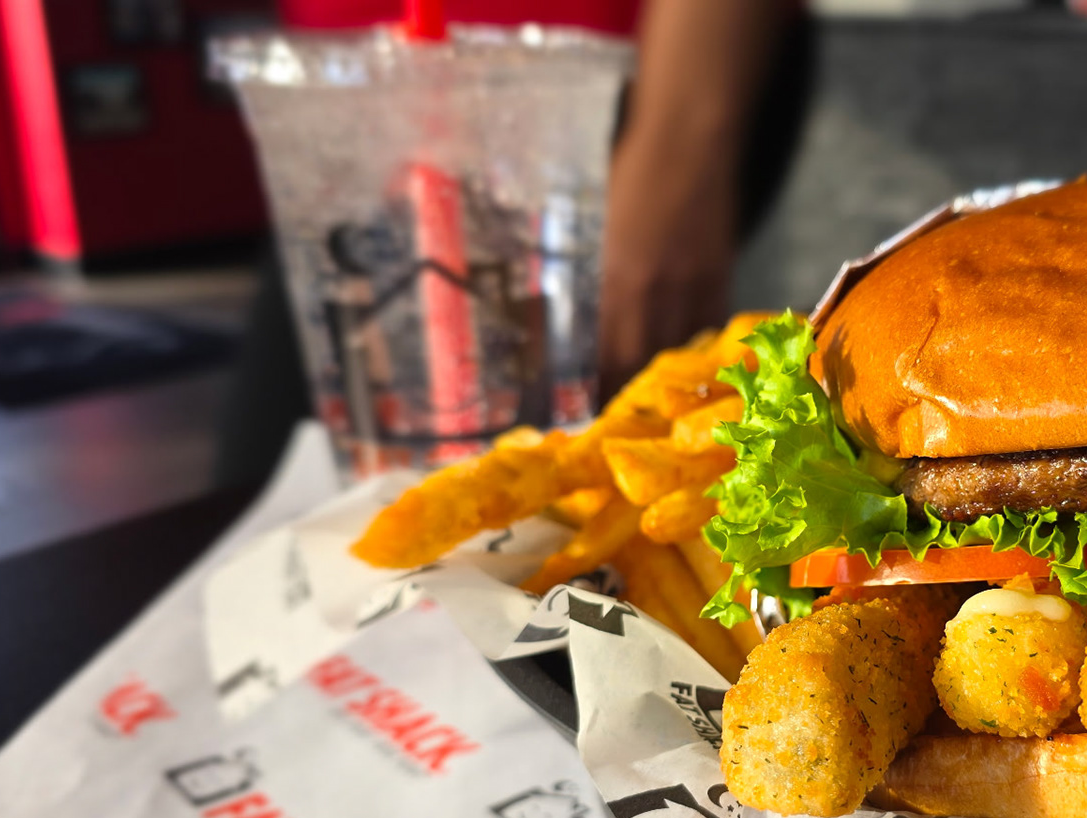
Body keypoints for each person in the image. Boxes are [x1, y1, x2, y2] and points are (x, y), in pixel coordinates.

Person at [218, 0, 808, 483]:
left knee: (583, 460)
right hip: (340, 119)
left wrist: (681, 143)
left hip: (592, 110)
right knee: (283, 482)